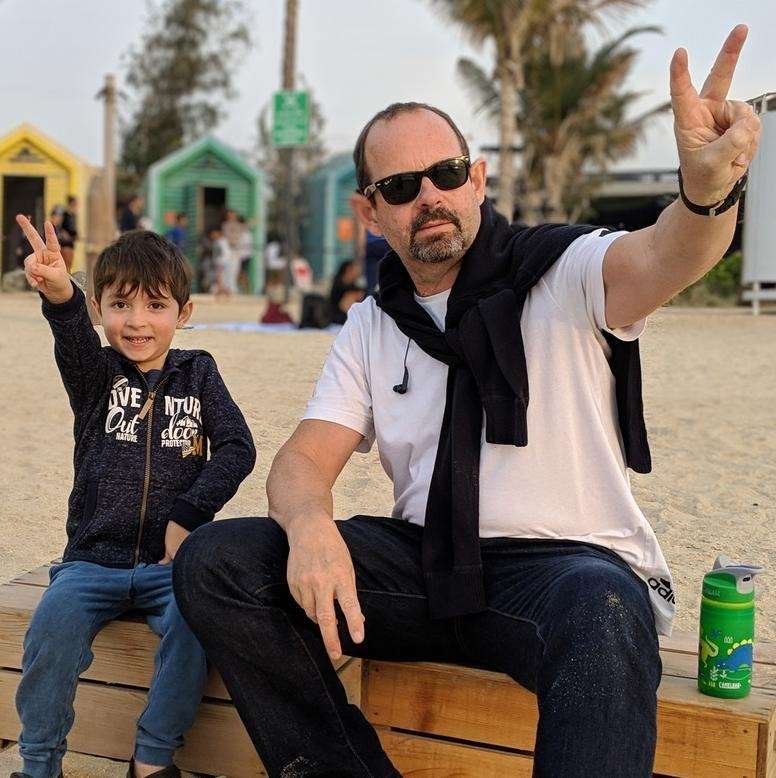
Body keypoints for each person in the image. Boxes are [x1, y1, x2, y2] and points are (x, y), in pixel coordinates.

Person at [173, 26, 761, 777]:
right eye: (400, 187)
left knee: (603, 610)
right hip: (426, 566)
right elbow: (302, 461)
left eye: (445, 174)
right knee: (219, 562)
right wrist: (310, 524)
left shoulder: (561, 271)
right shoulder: (373, 322)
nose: (429, 197)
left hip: (563, 572)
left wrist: (706, 195)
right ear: (370, 213)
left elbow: (664, 254)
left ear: (477, 180)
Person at [13, 218, 257, 778]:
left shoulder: (199, 374)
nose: (138, 321)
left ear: (183, 312)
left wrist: (189, 513)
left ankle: (151, 758)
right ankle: (39, 763)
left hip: (169, 568)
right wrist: (61, 294)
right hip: (89, 564)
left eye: (155, 305)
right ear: (99, 308)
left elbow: (237, 447)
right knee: (49, 632)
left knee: (197, 626)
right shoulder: (95, 376)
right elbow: (72, 336)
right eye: (120, 305)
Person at [328, 259, 365, 324]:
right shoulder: (339, 285)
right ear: (348, 269)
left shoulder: (353, 286)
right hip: (338, 320)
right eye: (355, 269)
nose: (358, 272)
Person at [60, 195, 78, 272]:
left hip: (71, 243)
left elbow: (73, 229)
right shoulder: (65, 214)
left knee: (70, 264)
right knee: (65, 263)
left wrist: (76, 236)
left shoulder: (73, 216)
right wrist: (66, 235)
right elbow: (61, 229)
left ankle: (69, 276)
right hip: (65, 243)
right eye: (75, 203)